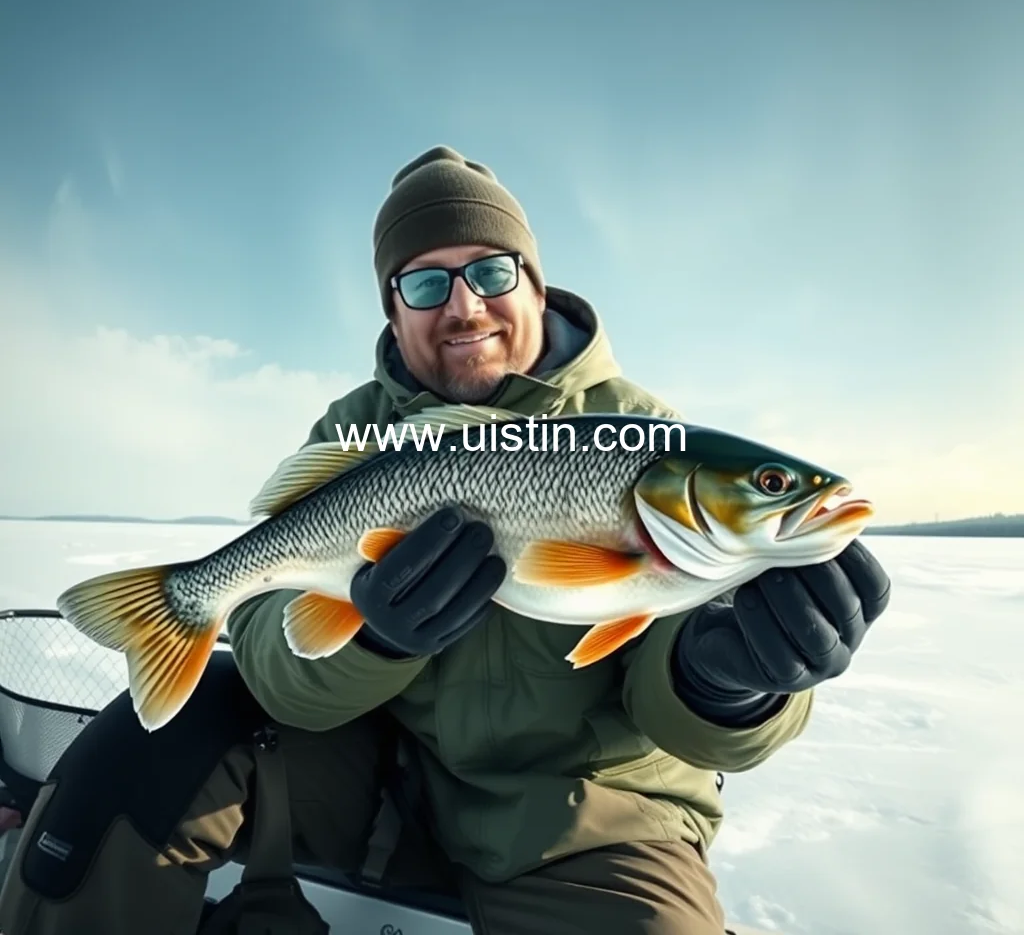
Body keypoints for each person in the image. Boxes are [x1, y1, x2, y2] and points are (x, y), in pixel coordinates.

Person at [0, 145, 892, 934]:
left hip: (587, 819)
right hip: (379, 778)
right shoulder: (355, 432)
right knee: (137, 759)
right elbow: (280, 658)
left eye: (492, 272)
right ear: (394, 310)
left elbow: (693, 723)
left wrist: (725, 682)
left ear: (535, 285)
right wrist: (373, 638)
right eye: (425, 283)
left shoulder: (646, 436)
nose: (463, 305)